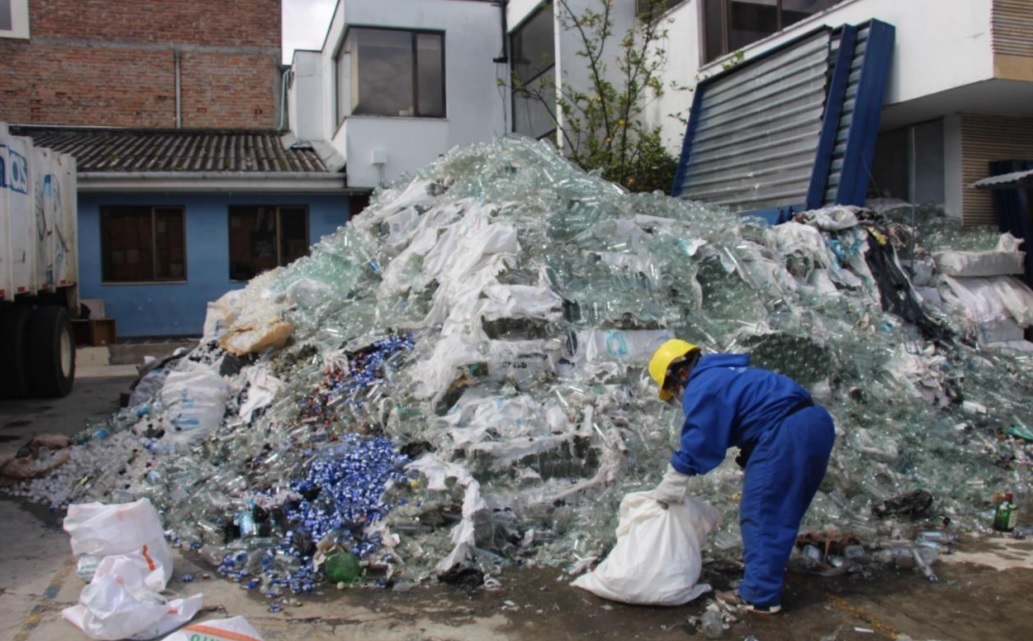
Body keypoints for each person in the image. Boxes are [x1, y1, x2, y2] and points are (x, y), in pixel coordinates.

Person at [646, 339, 835, 614]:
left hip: (785, 433)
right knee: (781, 511)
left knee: (761, 511)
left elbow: (701, 439)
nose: (677, 394)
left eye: (673, 387)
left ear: (682, 373)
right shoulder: (726, 372)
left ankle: (760, 596)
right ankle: (765, 574)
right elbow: (756, 411)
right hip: (814, 423)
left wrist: (676, 475)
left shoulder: (702, 386)